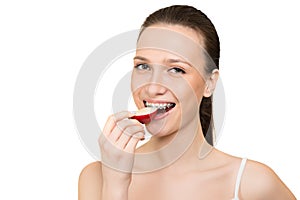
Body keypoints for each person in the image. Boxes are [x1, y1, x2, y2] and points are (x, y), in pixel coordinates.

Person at [78, 5, 296, 200]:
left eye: (176, 70)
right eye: (143, 66)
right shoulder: (96, 177)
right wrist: (116, 186)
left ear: (210, 83)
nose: (153, 87)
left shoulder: (253, 183)